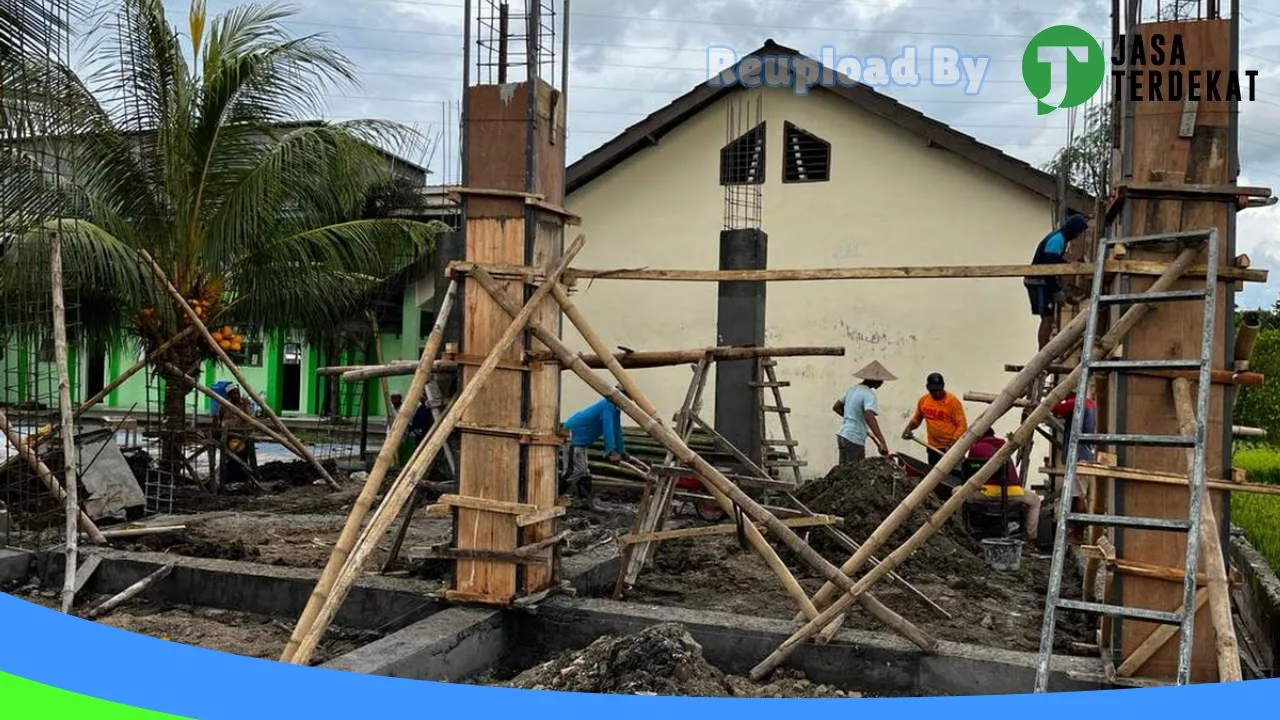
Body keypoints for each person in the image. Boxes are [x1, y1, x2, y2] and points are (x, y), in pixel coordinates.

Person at [966, 428, 1042, 544]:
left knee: (956, 493)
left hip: (986, 492)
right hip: (1013, 492)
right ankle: (1031, 538)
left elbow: (970, 473)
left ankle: (963, 530)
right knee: (1035, 501)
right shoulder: (1005, 447)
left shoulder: (976, 448)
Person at [560, 389, 632, 510]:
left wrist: (622, 451)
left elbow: (616, 430)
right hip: (574, 437)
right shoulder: (608, 405)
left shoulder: (615, 409)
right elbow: (608, 428)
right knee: (573, 471)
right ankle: (552, 498)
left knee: (584, 472)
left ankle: (585, 502)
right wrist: (611, 451)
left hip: (581, 442)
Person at [1025, 214, 1089, 350]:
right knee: (1047, 318)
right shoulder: (1057, 240)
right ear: (1074, 230)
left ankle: (1045, 348)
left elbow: (1053, 263)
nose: (1078, 236)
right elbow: (1049, 266)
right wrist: (1056, 290)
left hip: (1043, 280)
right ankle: (1042, 351)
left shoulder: (1061, 239)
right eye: (1079, 232)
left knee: (1049, 317)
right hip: (1038, 281)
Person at [1052, 390, 1098, 544]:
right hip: (1085, 454)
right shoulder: (1091, 404)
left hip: (1077, 457)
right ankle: (1078, 531)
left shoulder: (1077, 403)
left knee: (1078, 496)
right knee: (1079, 495)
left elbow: (1056, 409)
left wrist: (1056, 402)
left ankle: (1078, 533)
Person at [832, 361, 895, 465]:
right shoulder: (869, 394)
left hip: (842, 435)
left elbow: (836, 407)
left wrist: (854, 420)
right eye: (881, 380)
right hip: (854, 439)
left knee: (842, 473)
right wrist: (882, 442)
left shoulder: (852, 390)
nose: (882, 383)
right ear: (875, 380)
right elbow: (869, 416)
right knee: (855, 474)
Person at [901, 372, 968, 466]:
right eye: (933, 391)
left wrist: (952, 445)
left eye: (939, 390)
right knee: (934, 474)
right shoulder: (924, 401)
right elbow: (916, 420)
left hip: (952, 448)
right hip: (933, 447)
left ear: (943, 387)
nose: (937, 393)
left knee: (953, 477)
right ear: (928, 388)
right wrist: (908, 429)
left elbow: (962, 425)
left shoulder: (952, 402)